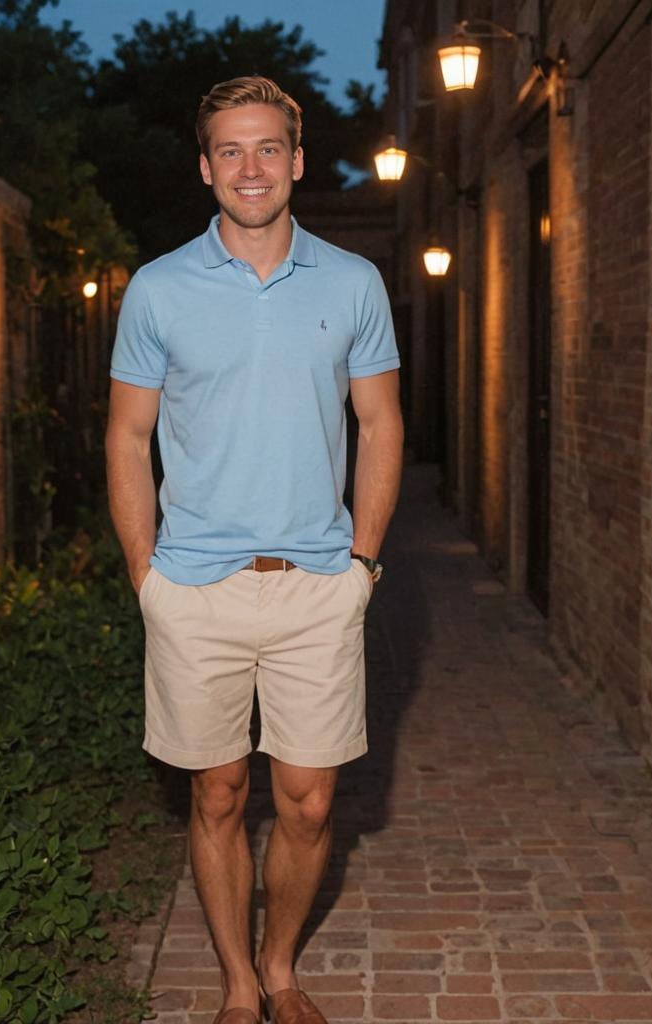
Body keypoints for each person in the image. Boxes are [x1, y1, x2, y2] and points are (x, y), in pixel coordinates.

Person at [106, 75, 403, 1024]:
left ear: (298, 161)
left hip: (317, 583)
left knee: (311, 803)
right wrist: (143, 576)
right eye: (230, 150)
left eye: (268, 147)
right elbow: (125, 438)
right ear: (204, 167)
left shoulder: (355, 283)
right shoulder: (158, 288)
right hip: (194, 586)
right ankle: (239, 983)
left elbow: (381, 423)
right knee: (220, 794)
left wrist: (362, 564)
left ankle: (282, 965)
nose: (250, 167)